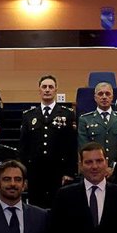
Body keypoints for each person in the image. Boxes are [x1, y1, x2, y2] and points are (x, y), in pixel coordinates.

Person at [19, 74, 77, 207]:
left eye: (50, 87)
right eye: (44, 87)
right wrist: (23, 174)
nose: (47, 90)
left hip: (58, 171)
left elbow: (72, 145)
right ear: (39, 90)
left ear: (56, 90)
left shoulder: (67, 114)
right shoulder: (29, 115)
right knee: (35, 208)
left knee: (59, 208)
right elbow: (23, 147)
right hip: (35, 172)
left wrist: (69, 172)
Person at [76, 82, 117, 167]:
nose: (104, 97)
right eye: (100, 94)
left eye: (107, 94)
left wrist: (115, 166)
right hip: (94, 168)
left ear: (112, 97)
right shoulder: (85, 120)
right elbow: (84, 148)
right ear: (95, 98)